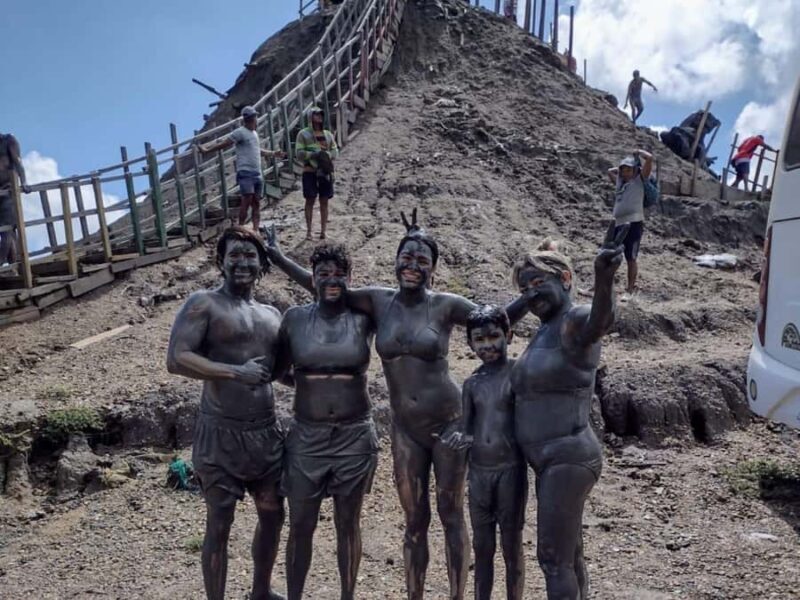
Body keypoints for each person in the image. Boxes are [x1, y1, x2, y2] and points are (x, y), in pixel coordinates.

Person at [264, 211, 527, 600]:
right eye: (407, 257)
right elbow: (323, 285)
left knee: (450, 513)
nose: (413, 266)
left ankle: (458, 595)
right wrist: (279, 256)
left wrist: (535, 294)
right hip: (405, 430)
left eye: (423, 260)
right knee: (414, 520)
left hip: (449, 423)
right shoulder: (377, 301)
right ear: (396, 260)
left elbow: (494, 318)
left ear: (434, 269)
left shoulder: (445, 304)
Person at [166, 226, 286, 600]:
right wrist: (235, 371)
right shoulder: (204, 303)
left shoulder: (271, 314)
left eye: (251, 256)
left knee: (272, 514)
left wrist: (332, 381)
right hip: (220, 433)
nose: (242, 262)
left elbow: (283, 372)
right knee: (220, 521)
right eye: (234, 254)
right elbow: (177, 358)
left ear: (263, 265)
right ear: (221, 261)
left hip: (266, 434)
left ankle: (261, 591)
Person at [510, 225, 627, 600]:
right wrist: (532, 284)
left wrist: (604, 276)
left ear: (564, 279)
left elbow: (601, 321)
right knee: (570, 553)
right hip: (549, 460)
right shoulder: (543, 329)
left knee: (552, 557)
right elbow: (495, 323)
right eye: (523, 288)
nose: (530, 294)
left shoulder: (573, 320)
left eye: (537, 284)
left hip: (567, 455)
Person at [273, 242, 378, 600]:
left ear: (351, 278)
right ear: (312, 278)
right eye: (323, 274)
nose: (331, 281)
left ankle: (348, 594)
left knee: (348, 524)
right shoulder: (295, 319)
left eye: (339, 274)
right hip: (306, 436)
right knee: (301, 524)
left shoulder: (365, 317)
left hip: (354, 435)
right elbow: (277, 370)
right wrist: (309, 384)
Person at [441, 305, 527, 600]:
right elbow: (467, 429)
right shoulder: (471, 384)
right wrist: (455, 439)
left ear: (509, 335)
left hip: (510, 470)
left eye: (494, 336)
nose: (487, 345)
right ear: (469, 344)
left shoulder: (518, 374)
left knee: (511, 544)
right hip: (478, 474)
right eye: (479, 339)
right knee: (482, 545)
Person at [198, 106, 285, 231]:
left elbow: (257, 150)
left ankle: (255, 230)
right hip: (246, 171)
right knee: (247, 199)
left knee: (256, 202)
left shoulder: (254, 134)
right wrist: (208, 150)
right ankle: (241, 227)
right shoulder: (240, 132)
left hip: (256, 172)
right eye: (254, 117)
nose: (256, 120)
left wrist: (273, 153)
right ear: (251, 118)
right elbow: (225, 143)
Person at [607, 149, 653, 295]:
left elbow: (650, 158)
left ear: (635, 171)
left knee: (630, 257)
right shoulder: (620, 184)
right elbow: (610, 171)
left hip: (633, 224)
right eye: (623, 170)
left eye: (629, 170)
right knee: (608, 255)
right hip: (618, 223)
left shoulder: (639, 181)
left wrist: (638, 153)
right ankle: (602, 285)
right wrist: (621, 168)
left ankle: (630, 289)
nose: (625, 173)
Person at [295, 106, 339, 241]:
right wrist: (314, 154)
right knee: (310, 200)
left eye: (320, 114)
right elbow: (299, 153)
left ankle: (323, 231)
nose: (319, 117)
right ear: (310, 117)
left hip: (324, 172)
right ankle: (309, 232)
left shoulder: (328, 134)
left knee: (324, 200)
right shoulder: (303, 134)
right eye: (316, 115)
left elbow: (335, 151)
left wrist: (326, 155)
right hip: (310, 171)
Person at [0, 133, 31, 266]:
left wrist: (24, 182)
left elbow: (18, 162)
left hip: (8, 190)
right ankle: (15, 265)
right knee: (8, 231)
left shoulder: (8, 141)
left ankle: (1, 262)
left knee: (7, 229)